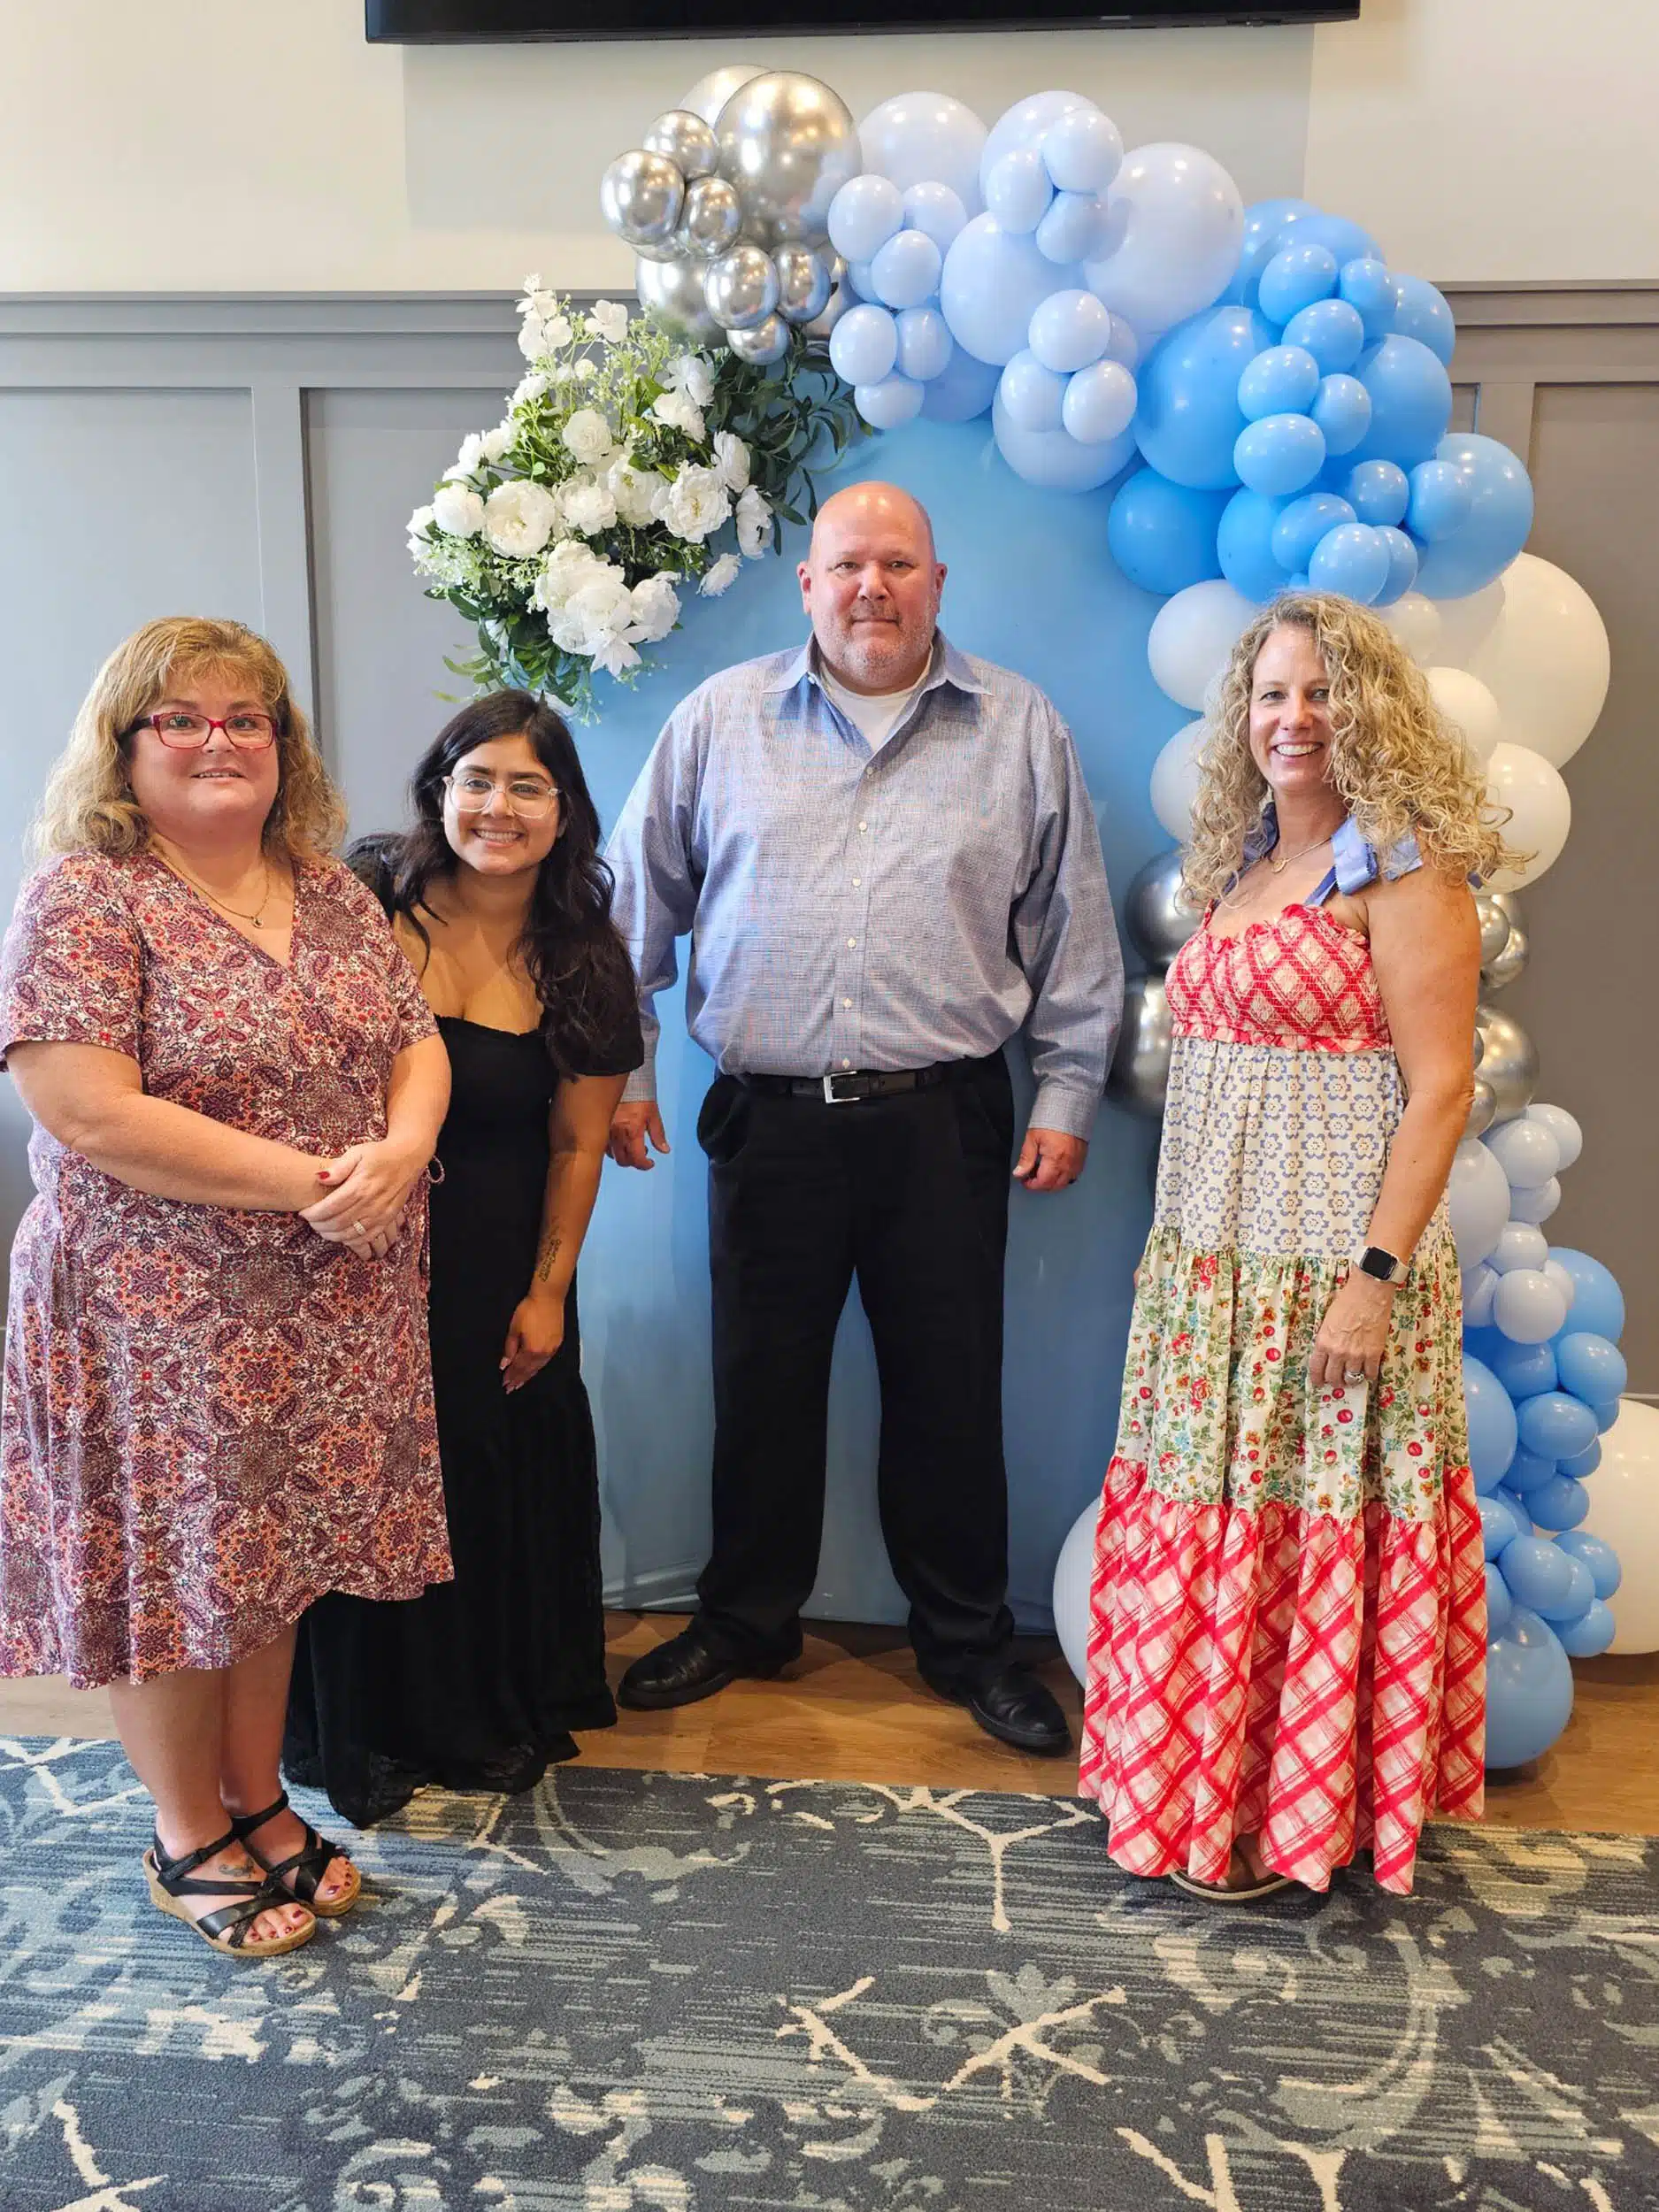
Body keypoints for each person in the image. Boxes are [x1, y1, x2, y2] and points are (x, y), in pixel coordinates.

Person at [604, 481, 1123, 1755]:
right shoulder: (719, 720)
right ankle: (745, 1622)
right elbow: (629, 915)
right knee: (759, 1385)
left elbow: (1073, 929)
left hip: (943, 1119)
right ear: (808, 585)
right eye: (847, 565)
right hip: (765, 1119)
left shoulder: (1018, 726)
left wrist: (1065, 1090)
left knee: (950, 1393)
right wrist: (624, 1074)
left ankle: (967, 1642)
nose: (871, 587)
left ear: (937, 583)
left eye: (897, 563)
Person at [0, 617, 452, 1959]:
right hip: (151, 1314)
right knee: (170, 1568)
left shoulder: (329, 891)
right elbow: (90, 1111)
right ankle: (184, 1828)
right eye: (183, 718)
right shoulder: (86, 896)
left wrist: (404, 1147)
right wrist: (321, 1180)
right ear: (124, 746)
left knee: (271, 1558)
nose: (219, 740)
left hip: (319, 1305)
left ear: (282, 744)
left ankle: (258, 1797)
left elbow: (415, 1043)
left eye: (247, 717)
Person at [1079, 593, 1509, 1900]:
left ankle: (1295, 1815)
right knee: (1216, 1520)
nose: (1294, 718)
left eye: (1322, 692)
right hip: (1214, 1273)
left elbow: (1441, 1088)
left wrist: (1371, 1283)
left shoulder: (1402, 866)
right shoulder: (1245, 862)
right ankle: (1200, 1794)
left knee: (1307, 1529)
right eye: (1271, 694)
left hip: (1328, 1272)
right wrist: (1174, 1247)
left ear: (1368, 711)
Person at [284, 691, 642, 1826]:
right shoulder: (362, 900)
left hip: (494, 1260)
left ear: (565, 810)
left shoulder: (586, 958)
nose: (499, 807)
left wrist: (549, 1292)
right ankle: (357, 1714)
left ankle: (466, 1709)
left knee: (477, 1475)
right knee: (356, 1476)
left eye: (529, 786)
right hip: (347, 1248)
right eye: (477, 779)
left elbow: (578, 1143)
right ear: (440, 790)